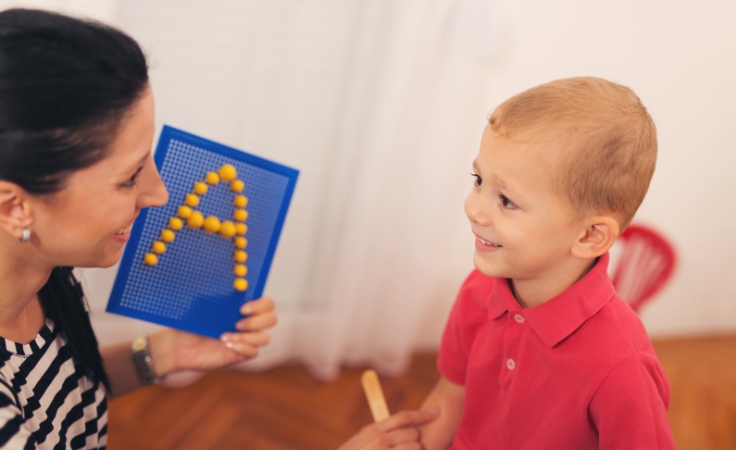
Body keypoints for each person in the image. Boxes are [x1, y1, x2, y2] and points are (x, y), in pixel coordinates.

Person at [0, 9, 434, 449]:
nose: (159, 193)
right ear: (14, 207)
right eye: (129, 177)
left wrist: (167, 352)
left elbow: (67, 391)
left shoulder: (49, 271)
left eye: (148, 158)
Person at [416, 77, 676, 449]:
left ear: (590, 236)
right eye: (478, 180)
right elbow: (449, 398)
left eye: (506, 200)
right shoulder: (477, 290)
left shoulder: (622, 369)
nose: (473, 208)